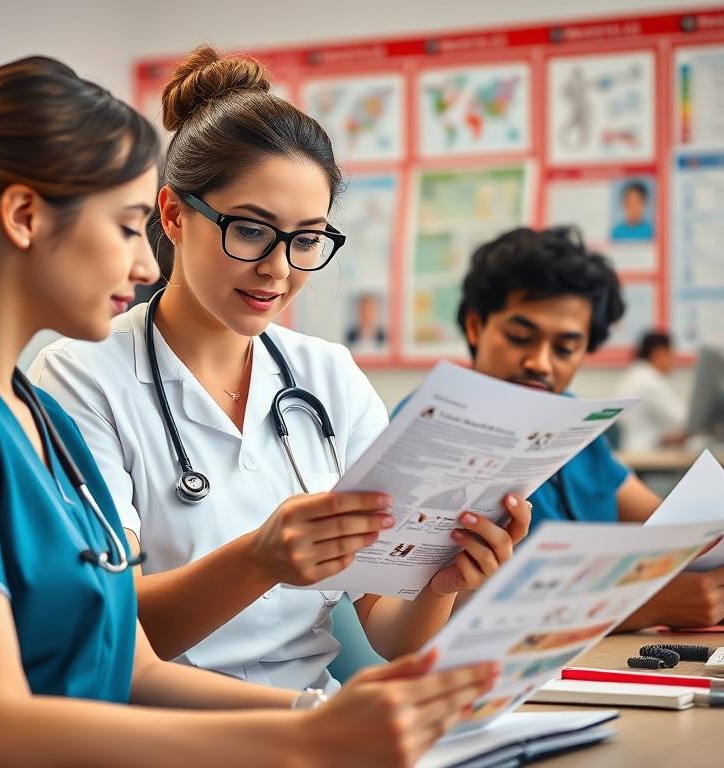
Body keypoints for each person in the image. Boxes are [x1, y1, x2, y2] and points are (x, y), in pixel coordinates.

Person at [0, 57, 498, 767]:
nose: (146, 265)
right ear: (24, 216)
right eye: (126, 226)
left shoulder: (26, 414)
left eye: (306, 240)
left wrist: (326, 716)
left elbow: (128, 666)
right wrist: (303, 740)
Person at [29, 46, 530, 695]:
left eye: (306, 239)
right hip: (167, 733)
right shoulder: (80, 376)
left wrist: (444, 582)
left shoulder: (329, 378)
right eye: (251, 230)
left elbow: (387, 627)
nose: (279, 268)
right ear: (174, 215)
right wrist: (260, 560)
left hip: (319, 719)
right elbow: (110, 632)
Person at [450, 226, 724, 630]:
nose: (541, 362)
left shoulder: (573, 420)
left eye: (565, 348)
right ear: (475, 327)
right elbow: (444, 610)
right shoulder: (440, 427)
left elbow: (669, 522)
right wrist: (639, 606)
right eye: (520, 336)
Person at [614, 331, 687, 451]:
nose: (674, 362)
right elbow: (682, 420)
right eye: (671, 355)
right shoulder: (649, 380)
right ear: (658, 353)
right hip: (643, 454)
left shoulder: (636, 374)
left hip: (633, 448)